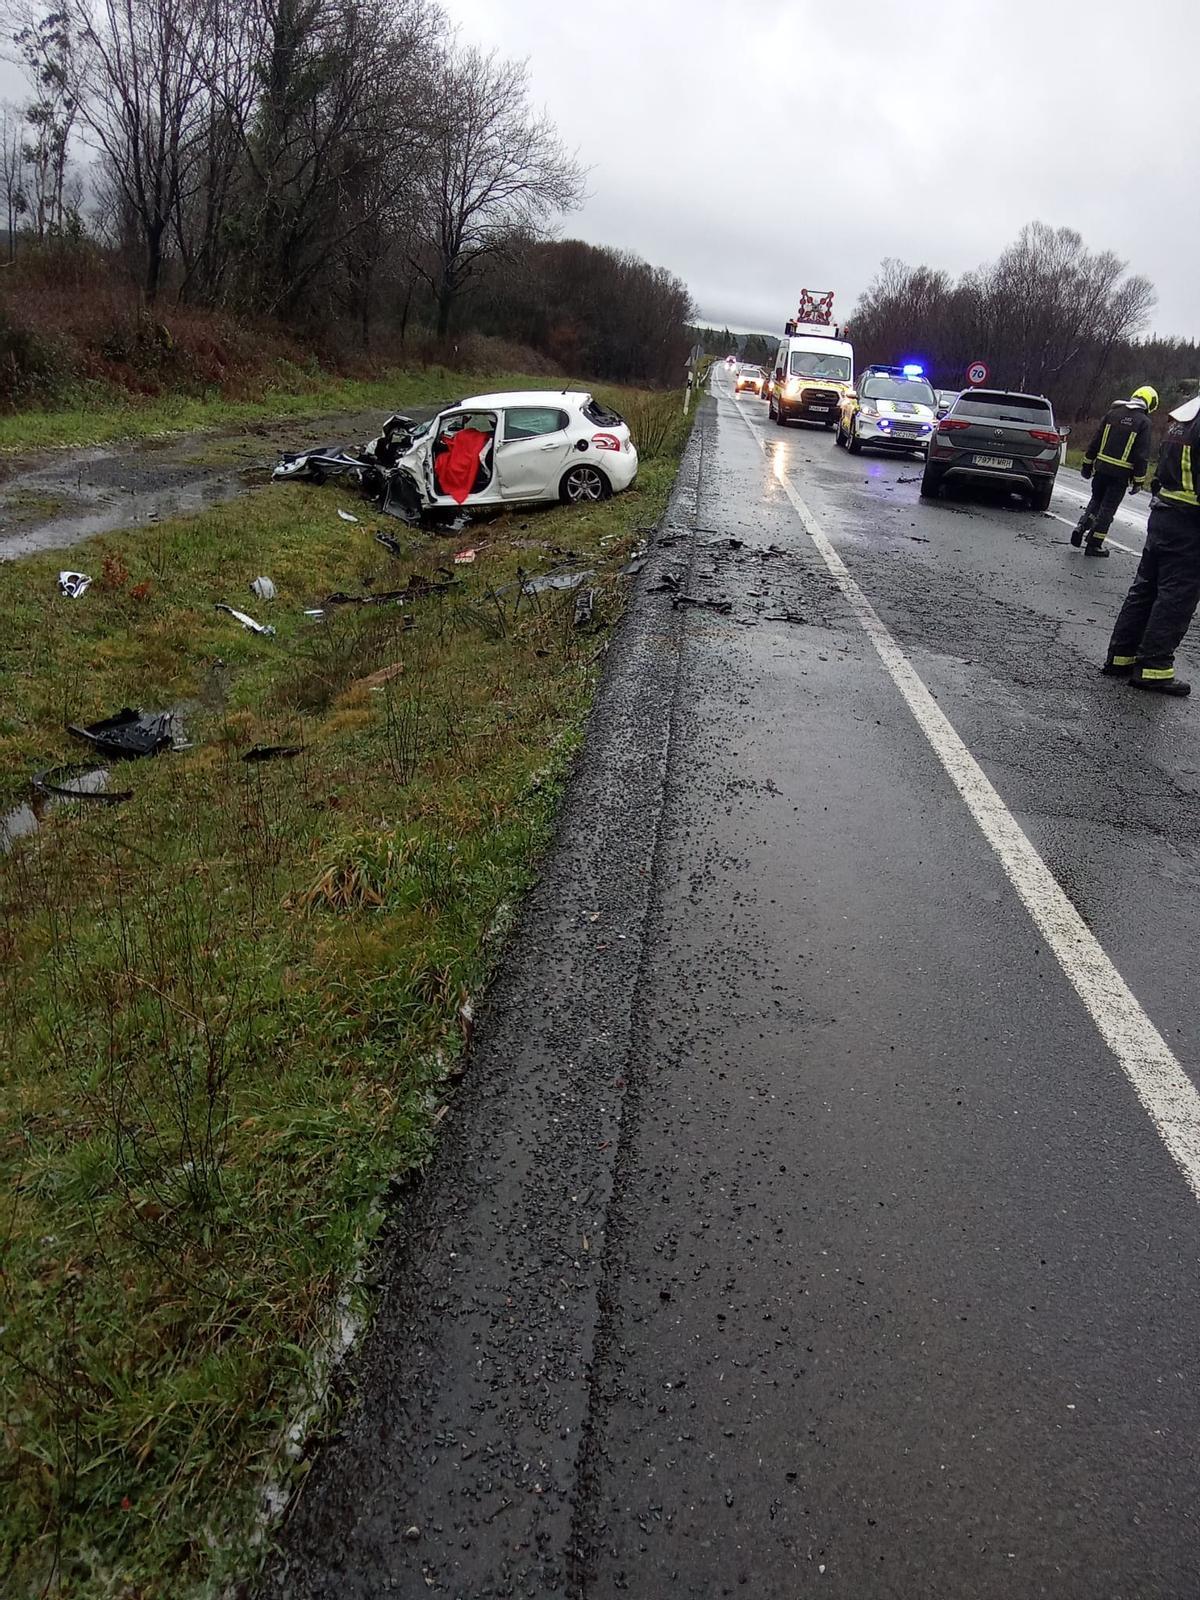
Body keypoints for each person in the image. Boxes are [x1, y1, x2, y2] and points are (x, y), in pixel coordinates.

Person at [1102, 393, 1200, 696]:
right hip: (1190, 522)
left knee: (1145, 589)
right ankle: (1154, 668)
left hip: (1164, 515)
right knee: (1176, 596)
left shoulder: (1185, 417)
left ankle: (1121, 657)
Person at [1072, 386, 1158, 556]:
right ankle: (1094, 544)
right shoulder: (1144, 422)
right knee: (1108, 509)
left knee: (1096, 501)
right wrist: (1138, 481)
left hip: (1101, 469)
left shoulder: (1113, 413)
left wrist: (1087, 465)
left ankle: (1081, 527)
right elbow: (1141, 455)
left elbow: (1095, 441)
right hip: (1120, 475)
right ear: (1150, 403)